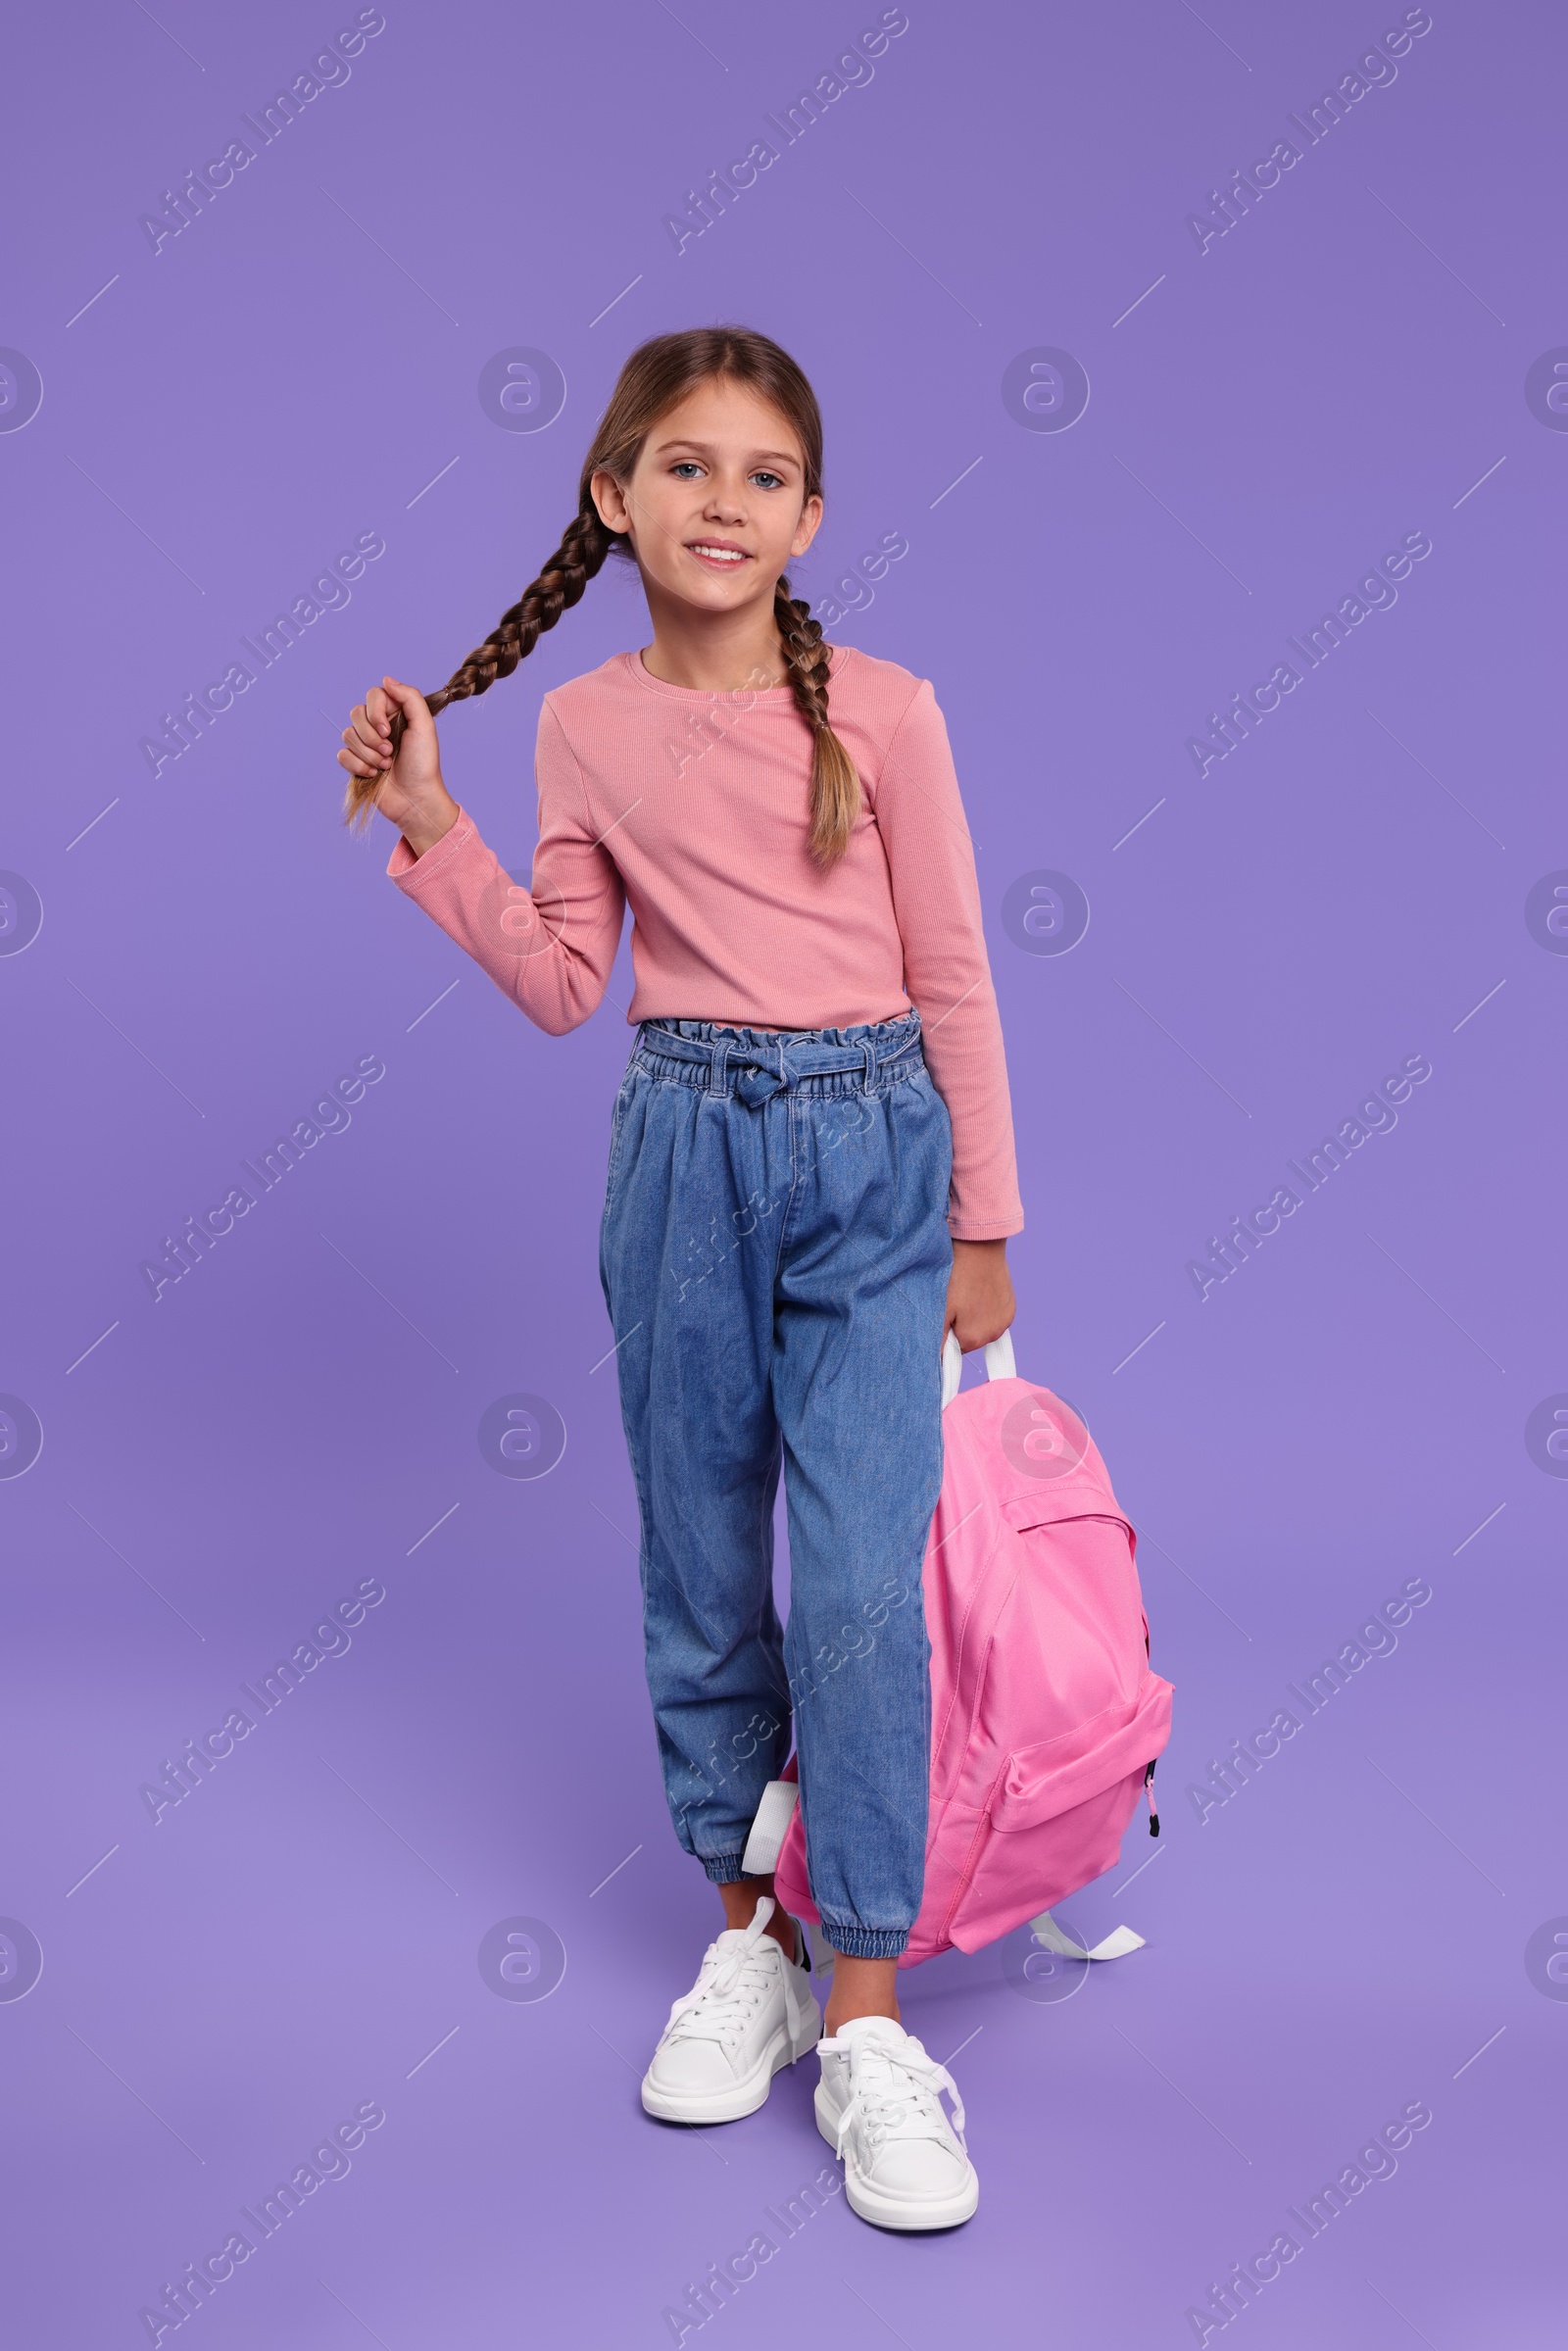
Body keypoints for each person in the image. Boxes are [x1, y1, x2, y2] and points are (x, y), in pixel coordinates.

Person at [337, 325, 1022, 2230]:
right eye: (688, 466)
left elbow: (952, 969)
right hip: (683, 1153)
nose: (725, 502)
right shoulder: (581, 723)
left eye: (764, 476)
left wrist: (984, 1222)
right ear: (611, 493)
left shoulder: (885, 710)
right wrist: (436, 834)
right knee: (703, 1566)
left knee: (863, 1586)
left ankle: (869, 2009)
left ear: (811, 516)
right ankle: (752, 1941)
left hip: (876, 1150)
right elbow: (566, 984)